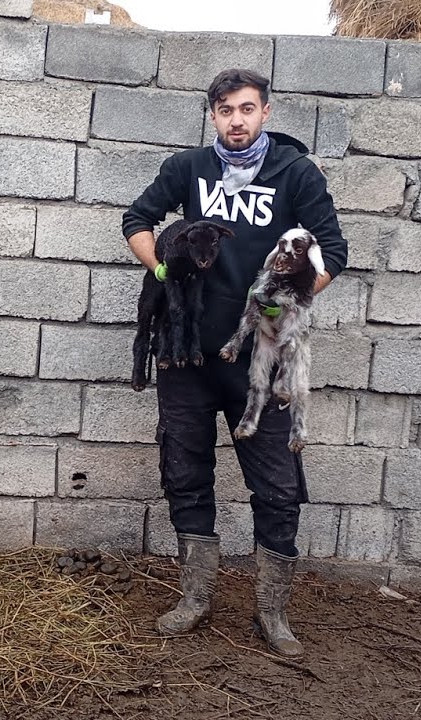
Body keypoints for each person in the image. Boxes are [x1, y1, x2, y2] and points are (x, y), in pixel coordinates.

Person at [120, 68, 348, 658]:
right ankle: (195, 598)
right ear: (213, 116)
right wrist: (163, 270)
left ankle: (272, 612)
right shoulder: (188, 169)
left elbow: (333, 251)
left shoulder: (294, 173)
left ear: (265, 112)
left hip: (261, 359)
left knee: (278, 486)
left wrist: (287, 302)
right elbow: (137, 221)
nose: (237, 120)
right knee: (185, 473)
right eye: (225, 110)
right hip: (186, 355)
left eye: (247, 108)